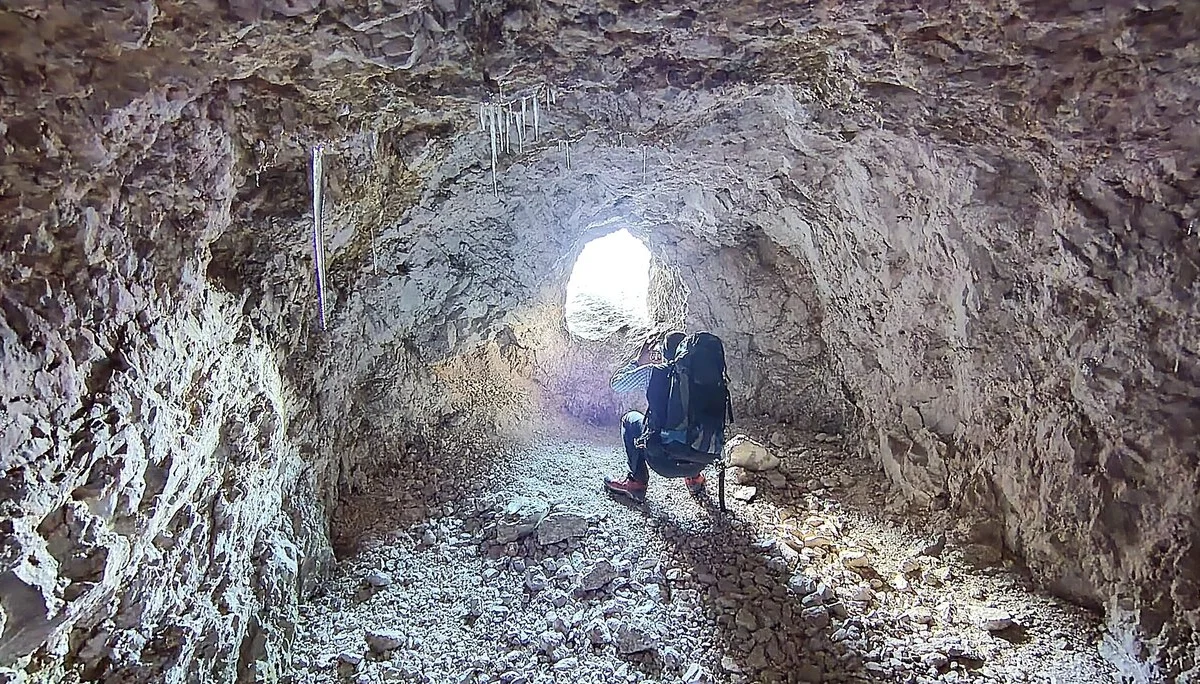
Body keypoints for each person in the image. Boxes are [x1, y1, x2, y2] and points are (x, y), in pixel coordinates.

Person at [603, 330, 709, 502]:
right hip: (701, 458)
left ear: (663, 353)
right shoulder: (704, 376)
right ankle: (694, 478)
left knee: (630, 420)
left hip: (663, 462)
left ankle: (636, 482)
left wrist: (638, 361)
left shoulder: (653, 372)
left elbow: (617, 384)